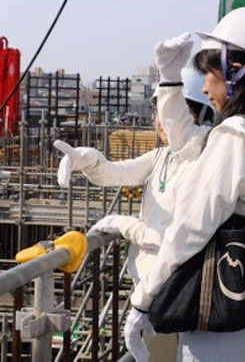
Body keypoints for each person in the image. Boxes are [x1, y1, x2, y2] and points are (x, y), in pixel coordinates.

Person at [124, 7, 245, 362]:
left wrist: (142, 299)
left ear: (237, 71)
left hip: (221, 295)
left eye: (209, 74)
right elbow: (187, 144)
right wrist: (170, 83)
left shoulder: (234, 135)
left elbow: (191, 227)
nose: (204, 88)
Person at [53, 66, 214, 361]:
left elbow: (177, 239)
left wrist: (126, 225)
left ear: (197, 115)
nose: (160, 121)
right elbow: (116, 173)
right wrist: (88, 160)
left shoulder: (203, 164)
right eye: (158, 111)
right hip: (152, 286)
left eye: (171, 112)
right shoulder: (162, 156)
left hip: (178, 287)